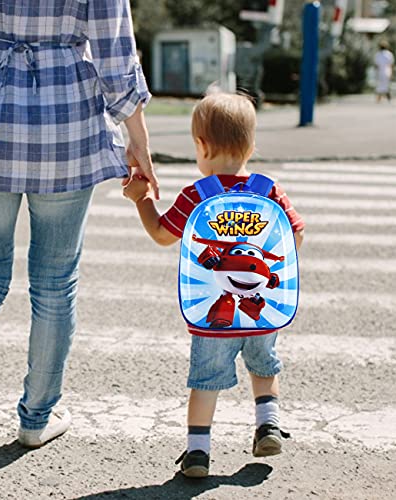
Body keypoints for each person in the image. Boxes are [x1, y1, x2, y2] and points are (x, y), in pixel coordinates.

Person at [0, 0, 158, 486]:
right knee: (54, 282)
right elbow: (115, 55)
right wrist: (138, 139)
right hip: (64, 126)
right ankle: (37, 419)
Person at [123, 93, 305, 478]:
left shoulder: (197, 194)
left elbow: (160, 234)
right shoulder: (268, 189)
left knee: (205, 382)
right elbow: (296, 237)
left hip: (212, 316)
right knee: (264, 368)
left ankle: (197, 453)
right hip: (263, 311)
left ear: (201, 146)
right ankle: (267, 425)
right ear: (251, 147)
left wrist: (142, 199)